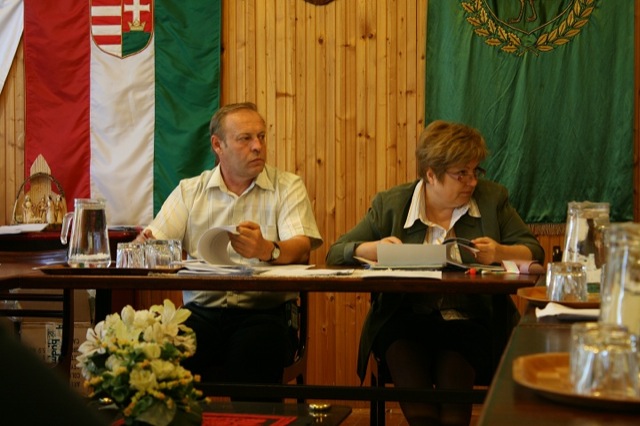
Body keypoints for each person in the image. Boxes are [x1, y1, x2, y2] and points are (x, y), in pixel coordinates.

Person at [326, 120, 544, 426]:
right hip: (404, 319)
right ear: (431, 175)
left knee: (454, 403)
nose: (472, 182)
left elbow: (534, 250)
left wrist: (500, 252)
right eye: (461, 174)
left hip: (470, 319)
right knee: (420, 406)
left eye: (475, 171)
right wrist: (371, 248)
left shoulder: (492, 199)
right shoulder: (392, 204)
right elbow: (336, 253)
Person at [136, 102, 322, 388]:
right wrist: (144, 243)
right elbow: (152, 242)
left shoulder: (286, 186)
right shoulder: (190, 191)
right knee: (156, 355)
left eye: (261, 136)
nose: (258, 146)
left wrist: (267, 250)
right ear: (217, 145)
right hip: (200, 314)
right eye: (245, 138)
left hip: (265, 313)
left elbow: (301, 247)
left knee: (254, 354)